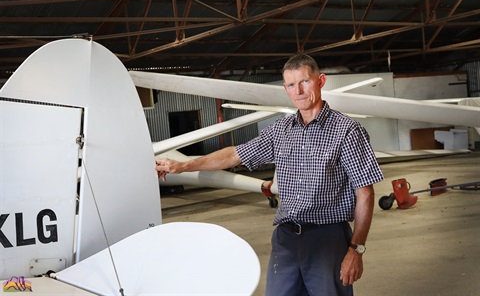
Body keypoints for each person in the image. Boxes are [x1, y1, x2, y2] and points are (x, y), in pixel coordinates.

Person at [155, 53, 384, 296]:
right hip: (286, 237)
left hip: (327, 238)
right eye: (292, 85)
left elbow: (365, 192)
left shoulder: (347, 130)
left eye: (305, 81)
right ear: (286, 89)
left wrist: (356, 249)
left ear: (321, 81)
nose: (299, 91)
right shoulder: (281, 131)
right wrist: (182, 166)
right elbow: (234, 155)